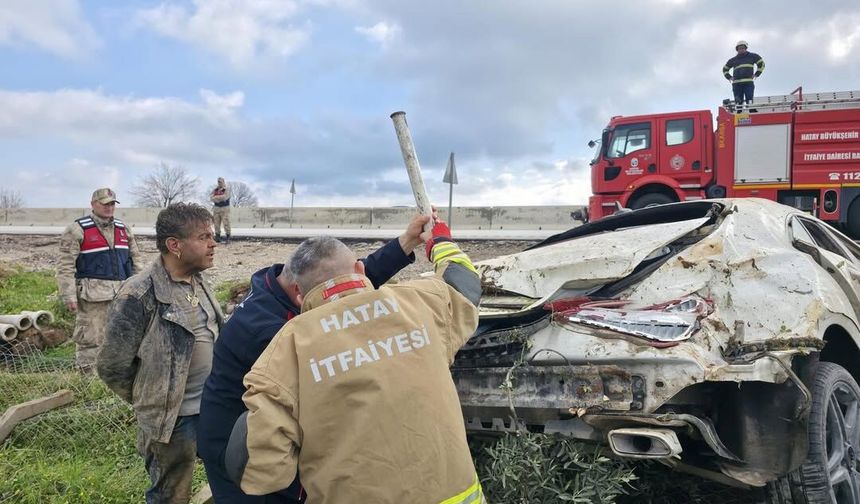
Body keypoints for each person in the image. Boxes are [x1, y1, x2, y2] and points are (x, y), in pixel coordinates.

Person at [225, 219, 485, 503]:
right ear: (360, 270)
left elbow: (260, 465)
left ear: (299, 294)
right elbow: (464, 282)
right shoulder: (421, 302)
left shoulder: (288, 347)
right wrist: (440, 242)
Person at [97, 202, 222, 504]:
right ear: (174, 245)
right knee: (171, 495)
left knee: (226, 477)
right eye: (204, 237)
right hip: (173, 422)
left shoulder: (198, 281)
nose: (213, 243)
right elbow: (112, 366)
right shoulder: (139, 294)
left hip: (212, 409)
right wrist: (153, 398)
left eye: (212, 235)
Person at [57, 187, 142, 371]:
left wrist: (140, 290)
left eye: (112, 204)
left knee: (121, 337)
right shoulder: (77, 229)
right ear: (93, 204)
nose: (109, 207)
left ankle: (115, 377)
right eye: (105, 204)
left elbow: (136, 260)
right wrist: (68, 295)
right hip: (92, 298)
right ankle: (88, 380)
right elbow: (65, 266)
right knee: (90, 339)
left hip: (122, 295)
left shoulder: (123, 229)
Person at [722, 40, 765, 107]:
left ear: (746, 48)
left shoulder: (753, 56)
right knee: (738, 103)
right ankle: (739, 112)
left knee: (749, 101)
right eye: (739, 48)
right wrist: (729, 77)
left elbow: (762, 64)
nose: (741, 50)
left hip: (748, 83)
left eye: (742, 48)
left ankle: (750, 111)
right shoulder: (733, 60)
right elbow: (725, 69)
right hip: (737, 84)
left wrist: (757, 74)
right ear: (737, 50)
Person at [210, 177, 231, 244]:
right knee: (216, 223)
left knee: (226, 223)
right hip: (216, 208)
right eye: (218, 182)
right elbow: (211, 198)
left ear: (223, 182)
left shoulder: (226, 190)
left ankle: (228, 236)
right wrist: (219, 198)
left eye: (221, 182)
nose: (219, 183)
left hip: (225, 208)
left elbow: (225, 197)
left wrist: (216, 198)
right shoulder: (215, 190)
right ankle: (217, 237)